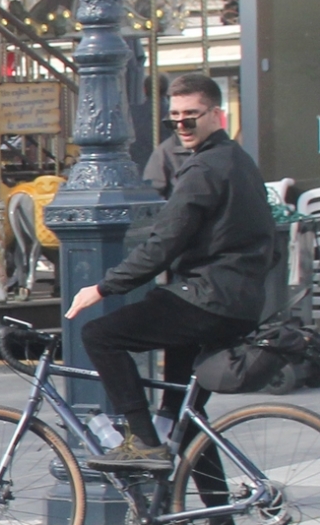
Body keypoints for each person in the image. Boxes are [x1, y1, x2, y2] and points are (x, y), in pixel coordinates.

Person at [65, 73, 273, 470]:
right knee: (184, 421)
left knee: (100, 335)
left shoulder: (205, 170)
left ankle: (143, 441)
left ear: (217, 115)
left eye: (191, 116)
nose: (182, 126)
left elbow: (164, 243)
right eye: (174, 118)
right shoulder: (239, 162)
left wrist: (104, 288)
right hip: (237, 301)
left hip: (207, 297)